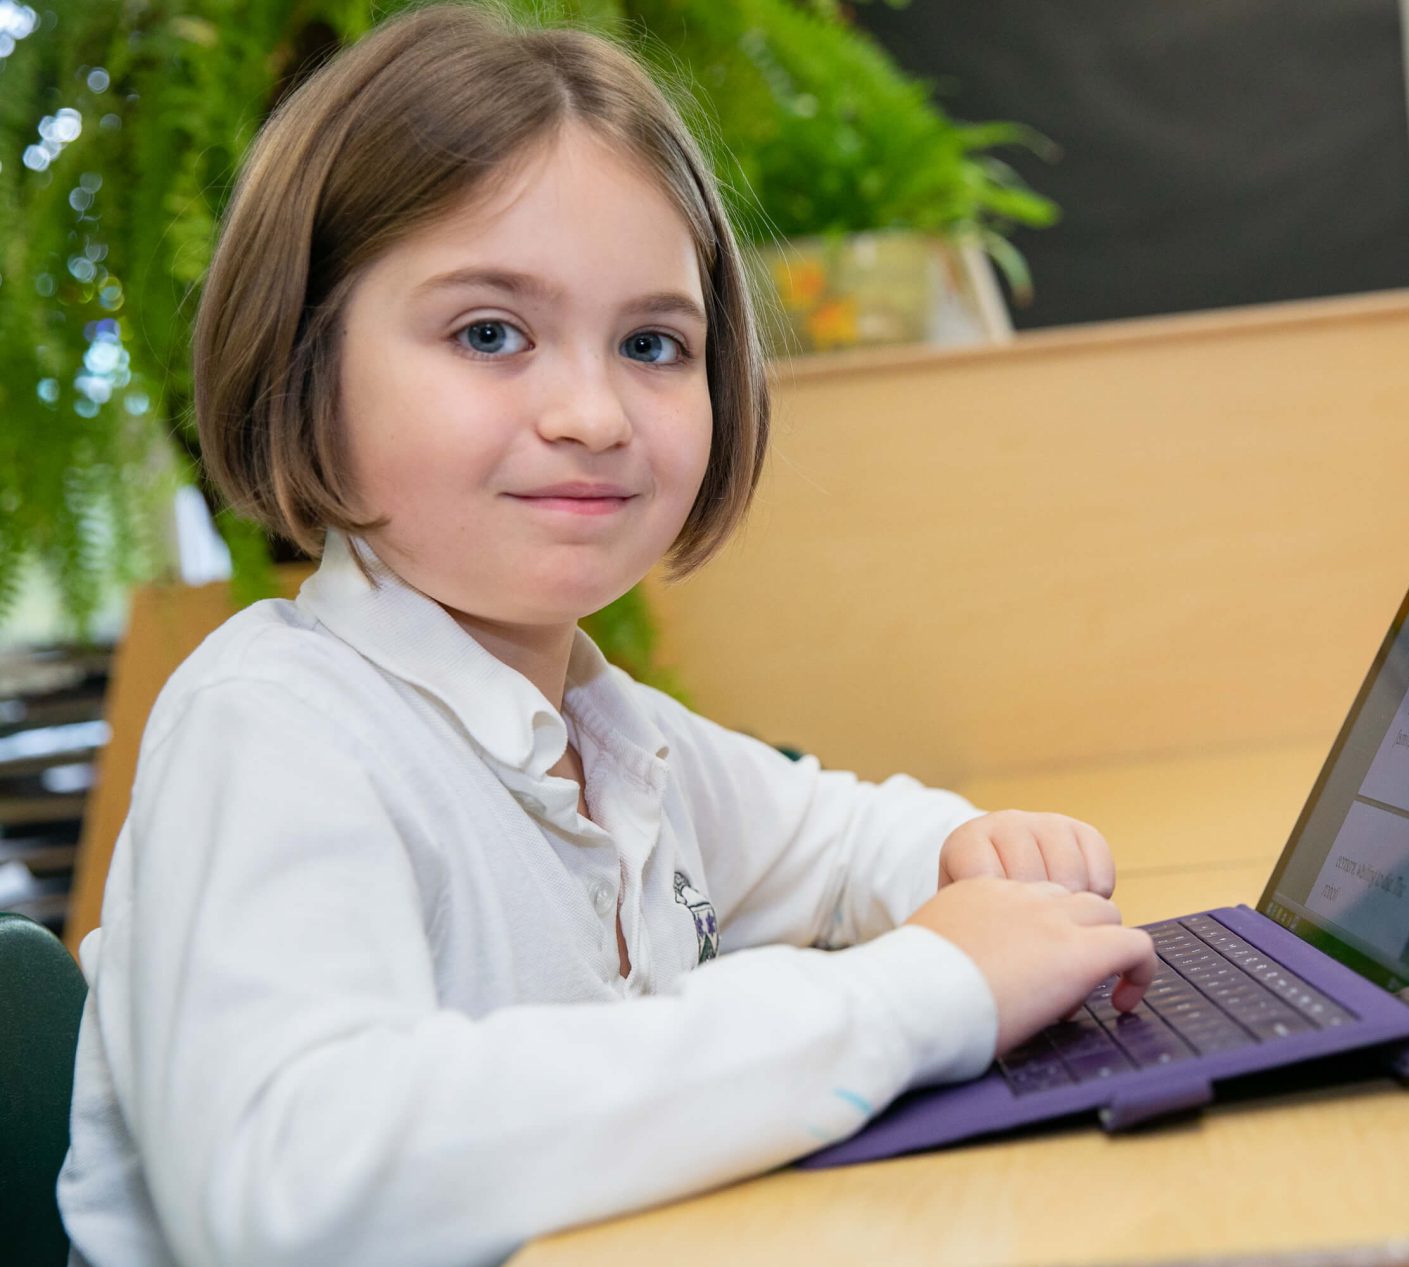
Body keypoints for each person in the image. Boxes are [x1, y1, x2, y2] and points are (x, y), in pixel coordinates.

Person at [54, 4, 1157, 1264]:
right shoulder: (275, 729)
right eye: (489, 332)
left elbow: (837, 835)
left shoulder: (603, 725)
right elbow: (294, 1188)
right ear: (308, 361)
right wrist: (912, 995)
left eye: (650, 343)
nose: (591, 411)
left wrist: (967, 851)